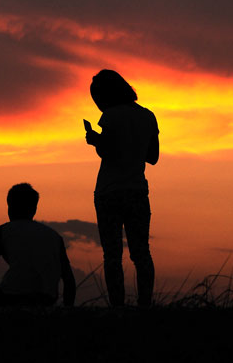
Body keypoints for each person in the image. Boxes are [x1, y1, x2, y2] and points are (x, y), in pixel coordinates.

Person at [85, 69, 159, 307]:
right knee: (141, 253)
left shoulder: (110, 116)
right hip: (137, 191)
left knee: (112, 255)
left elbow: (107, 151)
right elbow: (153, 156)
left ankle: (117, 306)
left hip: (109, 192)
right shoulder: (148, 116)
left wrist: (95, 139)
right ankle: (145, 303)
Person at [0, 183, 76, 307]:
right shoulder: (54, 236)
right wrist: (67, 311)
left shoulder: (2, 232)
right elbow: (69, 281)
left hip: (12, 298)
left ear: (9, 207)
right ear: (34, 209)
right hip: (46, 300)